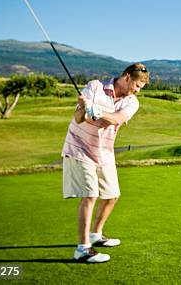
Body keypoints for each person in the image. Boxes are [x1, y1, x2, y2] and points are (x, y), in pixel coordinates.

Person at [61, 63, 149, 263]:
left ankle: (95, 235)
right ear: (127, 77)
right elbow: (78, 118)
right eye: (137, 85)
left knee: (112, 196)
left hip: (104, 151)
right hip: (80, 147)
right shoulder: (94, 87)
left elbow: (116, 119)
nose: (137, 91)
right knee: (90, 194)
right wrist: (84, 108)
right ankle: (83, 249)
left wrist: (97, 112)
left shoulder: (132, 102)